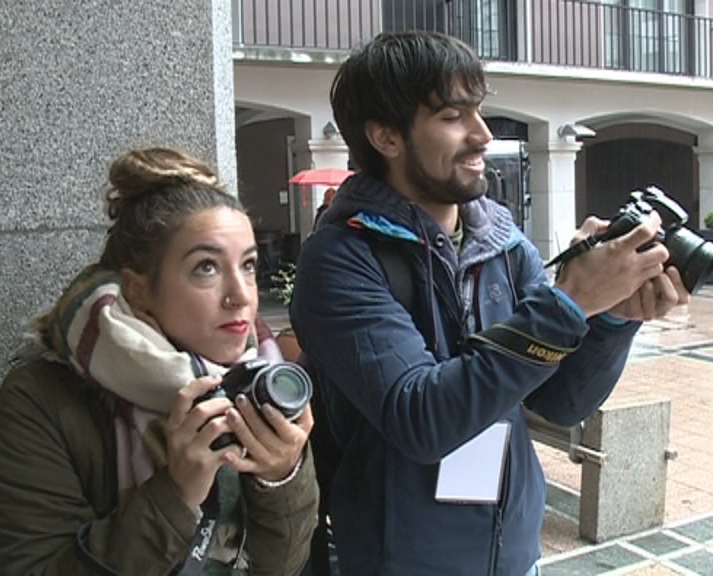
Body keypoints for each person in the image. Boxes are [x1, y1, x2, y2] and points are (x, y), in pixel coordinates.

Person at [289, 31, 689, 576]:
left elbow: (562, 402)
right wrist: (570, 301)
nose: (482, 134)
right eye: (453, 116)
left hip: (514, 552)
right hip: (401, 562)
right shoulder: (339, 258)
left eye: (478, 110)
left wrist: (614, 317)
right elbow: (420, 418)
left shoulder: (501, 239)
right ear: (386, 136)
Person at [0, 148, 318, 575]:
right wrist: (176, 493)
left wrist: (281, 477)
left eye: (248, 265)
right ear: (137, 290)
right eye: (206, 268)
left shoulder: (257, 379)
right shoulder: (39, 400)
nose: (242, 295)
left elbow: (283, 566)